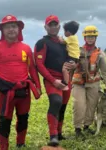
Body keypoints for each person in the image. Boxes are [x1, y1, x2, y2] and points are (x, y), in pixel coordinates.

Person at [0, 14, 42, 150]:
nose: (11, 29)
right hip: (5, 92)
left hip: (24, 91)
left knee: (23, 118)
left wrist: (38, 86)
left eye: (14, 26)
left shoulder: (26, 48)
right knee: (4, 120)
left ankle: (20, 143)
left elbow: (32, 69)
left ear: (19, 29)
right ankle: (3, 147)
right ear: (2, 30)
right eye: (7, 27)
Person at [34, 15, 76, 147]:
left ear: (59, 26)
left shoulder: (64, 42)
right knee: (56, 102)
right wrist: (52, 80)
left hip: (66, 79)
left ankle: (59, 133)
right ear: (45, 27)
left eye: (55, 25)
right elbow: (39, 64)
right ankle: (53, 136)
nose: (53, 27)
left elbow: (72, 57)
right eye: (50, 25)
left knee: (62, 106)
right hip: (52, 79)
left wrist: (74, 65)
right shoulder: (42, 43)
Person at [71, 25, 106, 138]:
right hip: (78, 83)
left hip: (93, 83)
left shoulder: (100, 54)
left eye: (92, 36)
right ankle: (78, 129)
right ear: (85, 38)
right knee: (79, 105)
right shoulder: (77, 51)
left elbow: (105, 71)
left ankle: (87, 126)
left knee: (92, 106)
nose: (90, 38)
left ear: (96, 38)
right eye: (88, 36)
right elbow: (70, 67)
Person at [58, 21, 80, 91]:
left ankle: (65, 82)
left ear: (68, 31)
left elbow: (62, 42)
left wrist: (59, 38)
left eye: (64, 31)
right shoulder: (75, 37)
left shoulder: (70, 38)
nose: (64, 33)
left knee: (64, 69)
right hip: (75, 58)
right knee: (69, 70)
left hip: (72, 57)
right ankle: (69, 82)